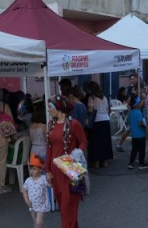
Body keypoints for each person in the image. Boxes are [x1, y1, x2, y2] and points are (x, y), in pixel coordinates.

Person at [45, 95, 87, 228]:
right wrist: (47, 170)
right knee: (64, 209)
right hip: (56, 172)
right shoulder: (51, 124)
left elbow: (83, 142)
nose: (48, 110)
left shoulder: (74, 124)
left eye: (50, 107)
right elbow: (49, 148)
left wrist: (77, 153)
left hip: (70, 169)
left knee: (68, 206)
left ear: (59, 107)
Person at [86, 80, 113, 168]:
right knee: (105, 141)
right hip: (106, 120)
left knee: (96, 142)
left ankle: (96, 162)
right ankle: (105, 162)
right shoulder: (104, 97)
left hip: (97, 121)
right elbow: (108, 110)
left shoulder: (92, 97)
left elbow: (90, 109)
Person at [23, 154, 50, 228]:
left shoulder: (43, 178)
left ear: (40, 169)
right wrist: (26, 200)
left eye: (34, 169)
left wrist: (50, 180)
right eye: (31, 168)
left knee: (38, 222)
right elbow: (24, 190)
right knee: (36, 222)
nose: (32, 171)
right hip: (32, 205)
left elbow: (50, 185)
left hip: (42, 205)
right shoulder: (28, 180)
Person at [126, 92, 148, 169]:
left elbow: (129, 122)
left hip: (134, 135)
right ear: (137, 104)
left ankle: (131, 163)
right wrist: (144, 125)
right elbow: (139, 123)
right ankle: (141, 163)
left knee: (134, 150)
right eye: (140, 102)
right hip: (141, 135)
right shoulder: (139, 113)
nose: (141, 103)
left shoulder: (131, 113)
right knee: (142, 150)